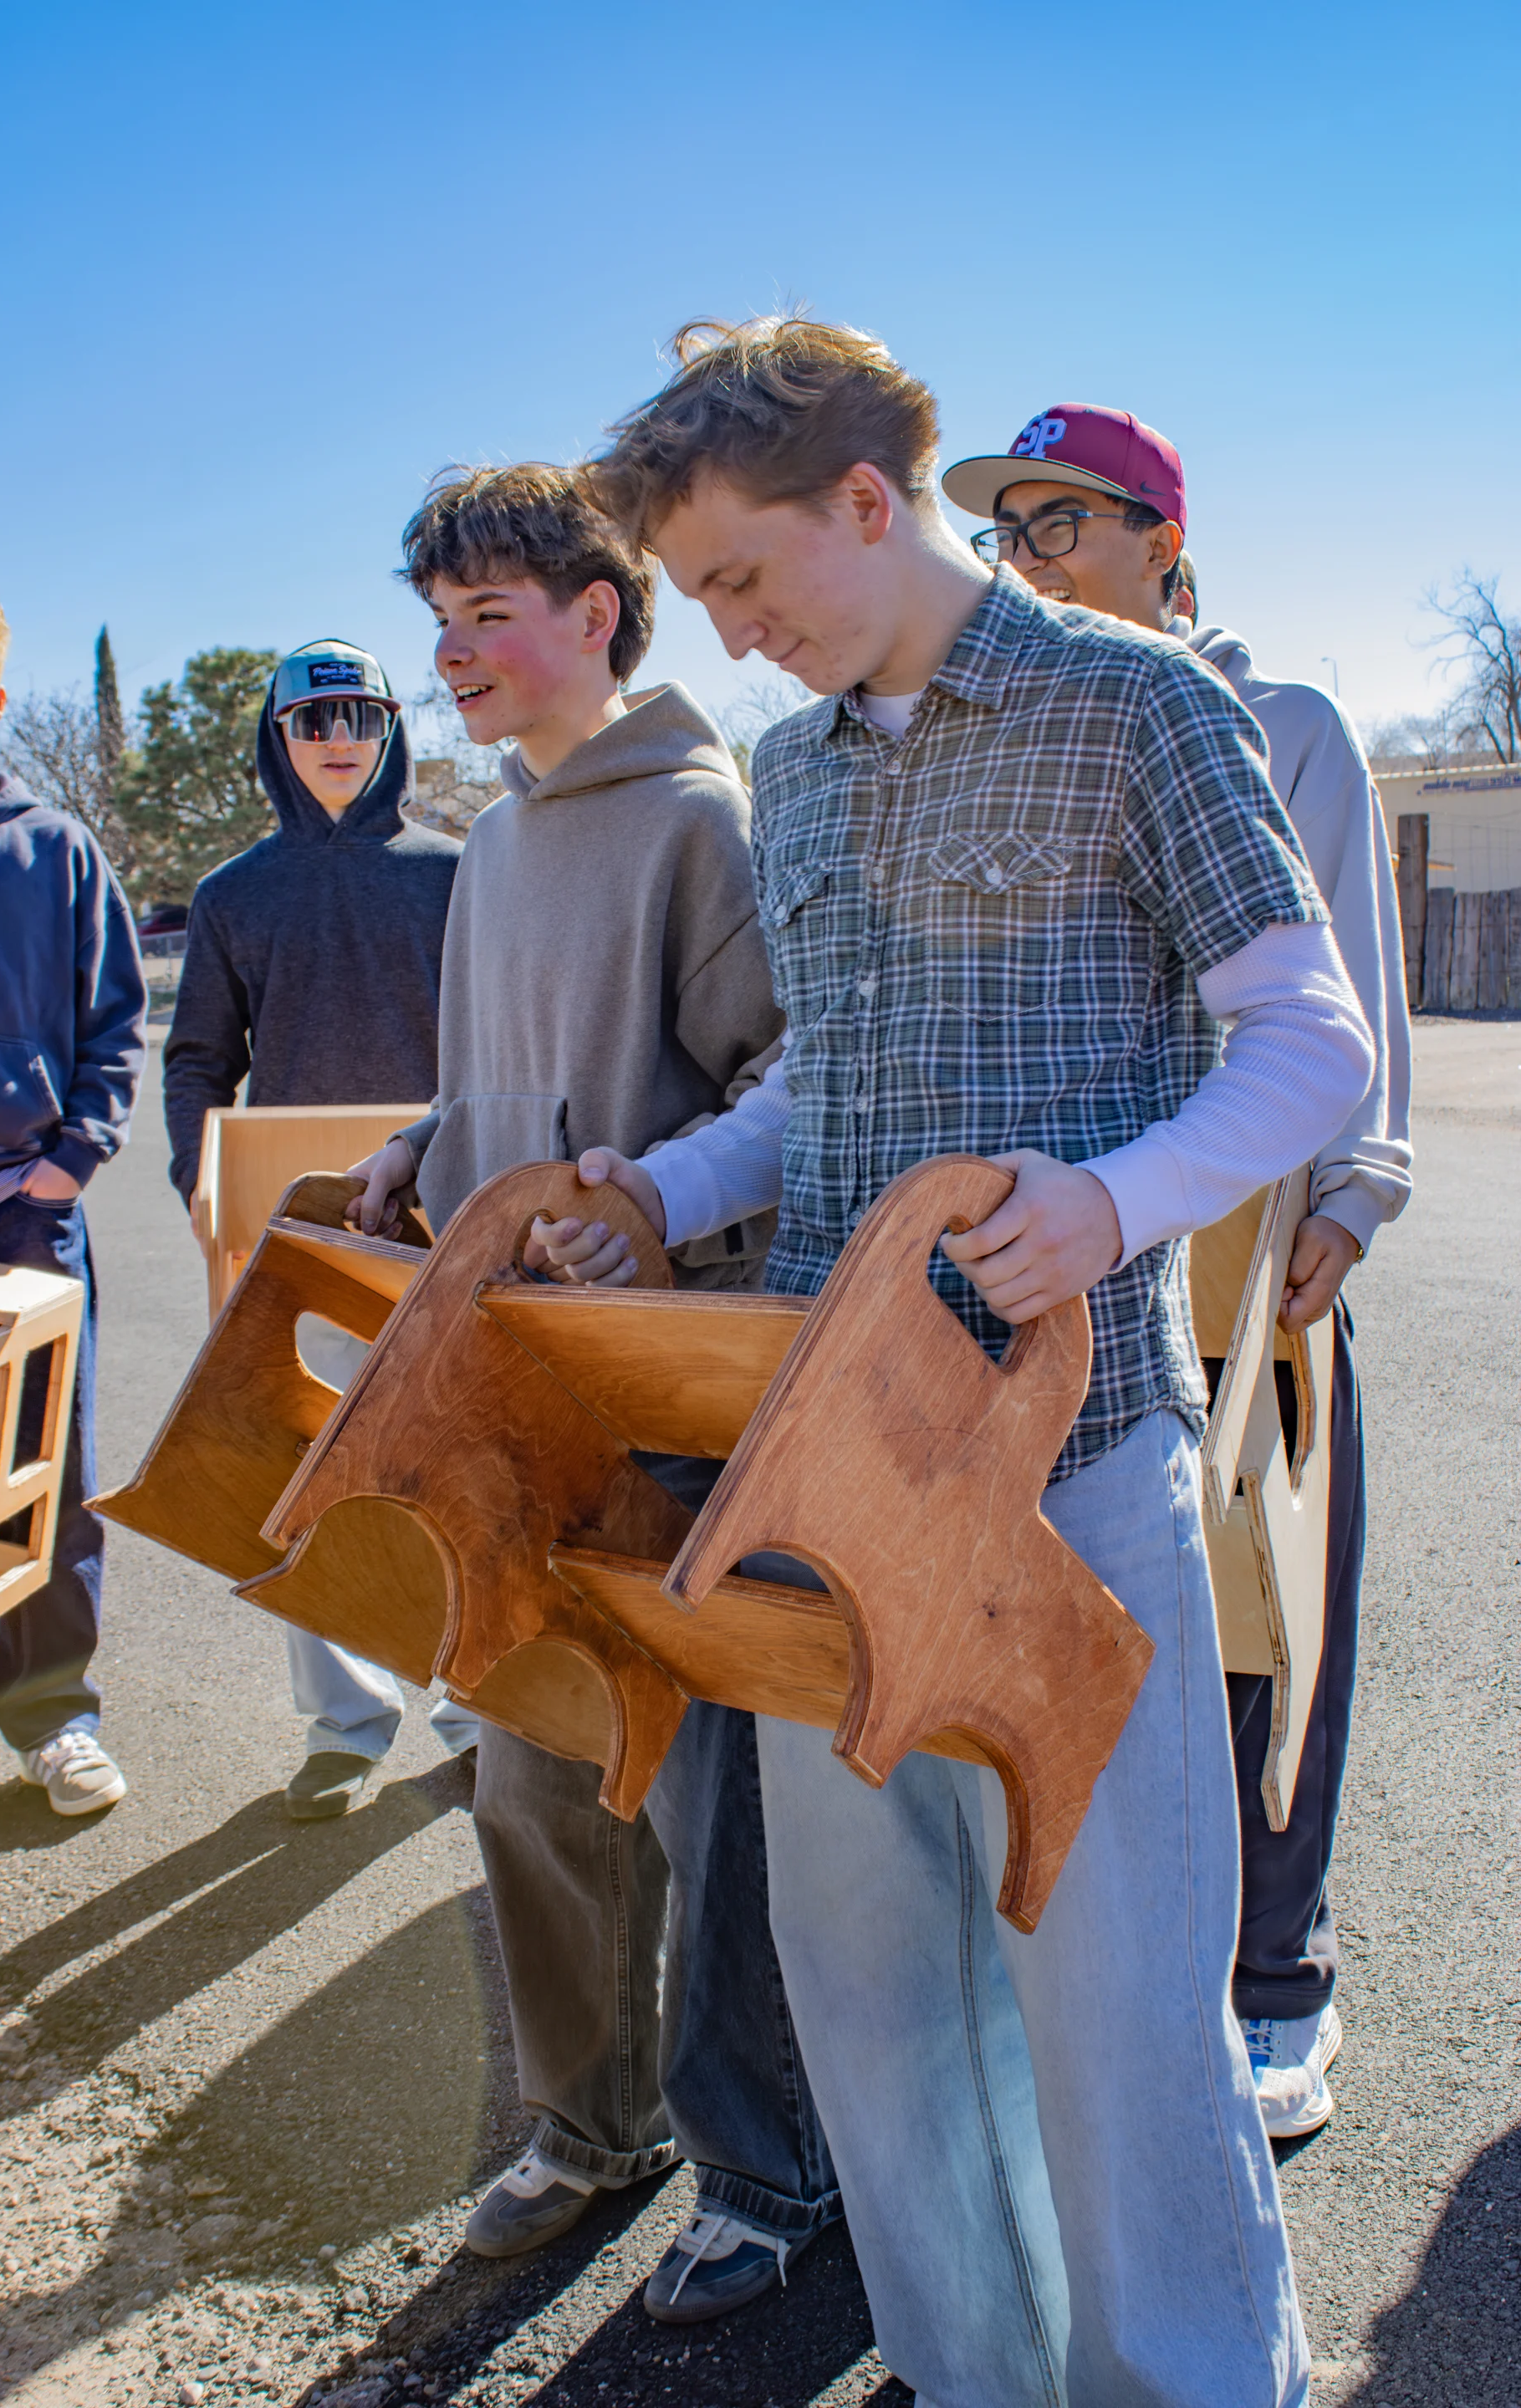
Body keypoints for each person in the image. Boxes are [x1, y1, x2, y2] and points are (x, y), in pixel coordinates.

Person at [538, 317, 1377, 2407]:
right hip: (833, 1480)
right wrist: (661, 1185)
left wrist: (1115, 1202)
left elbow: (1312, 1045)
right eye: (703, 603)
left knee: (1117, 2031)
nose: (731, 641)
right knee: (886, 2015)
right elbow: (825, 1079)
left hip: (1076, 1475)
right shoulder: (797, 777)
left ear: (862, 500)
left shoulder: (1140, 705)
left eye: (745, 582)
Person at [347, 462, 838, 2323]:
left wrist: (642, 1218)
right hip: (509, 1386)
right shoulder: (490, 841)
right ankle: (586, 2125)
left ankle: (763, 2176)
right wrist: (429, 1136)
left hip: (666, 1389)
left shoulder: (700, 820)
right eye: (441, 623)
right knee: (532, 1777)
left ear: (598, 615)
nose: (454, 656)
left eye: (491, 616)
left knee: (707, 1809)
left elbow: (785, 1085)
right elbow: (516, 1083)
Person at [940, 406, 1412, 2137]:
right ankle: (1130, 1983)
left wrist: (1353, 1203)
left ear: (1165, 542)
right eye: (1010, 532)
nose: (1030, 559)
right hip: (1068, 1262)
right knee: (1094, 1632)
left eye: (1065, 523)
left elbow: (1349, 990)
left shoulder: (1278, 726)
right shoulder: (1018, 741)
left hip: (1250, 1252)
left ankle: (1280, 1980)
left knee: (1267, 1627)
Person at [163, 640, 471, 1819]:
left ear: (393, 727)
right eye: (313, 720)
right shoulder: (235, 895)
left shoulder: (459, 869)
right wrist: (202, 1178)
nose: (339, 736)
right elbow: (198, 1061)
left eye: (362, 714)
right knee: (317, 1475)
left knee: (450, 1468)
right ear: (277, 741)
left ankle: (471, 1708)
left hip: (448, 1216)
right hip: (307, 1231)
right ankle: (345, 1722)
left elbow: (495, 1045)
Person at [0, 579, 146, 1864]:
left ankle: (53, 1710)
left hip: (24, 1215)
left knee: (53, 1477)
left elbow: (115, 1021)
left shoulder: (55, 849)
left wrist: (73, 1158)